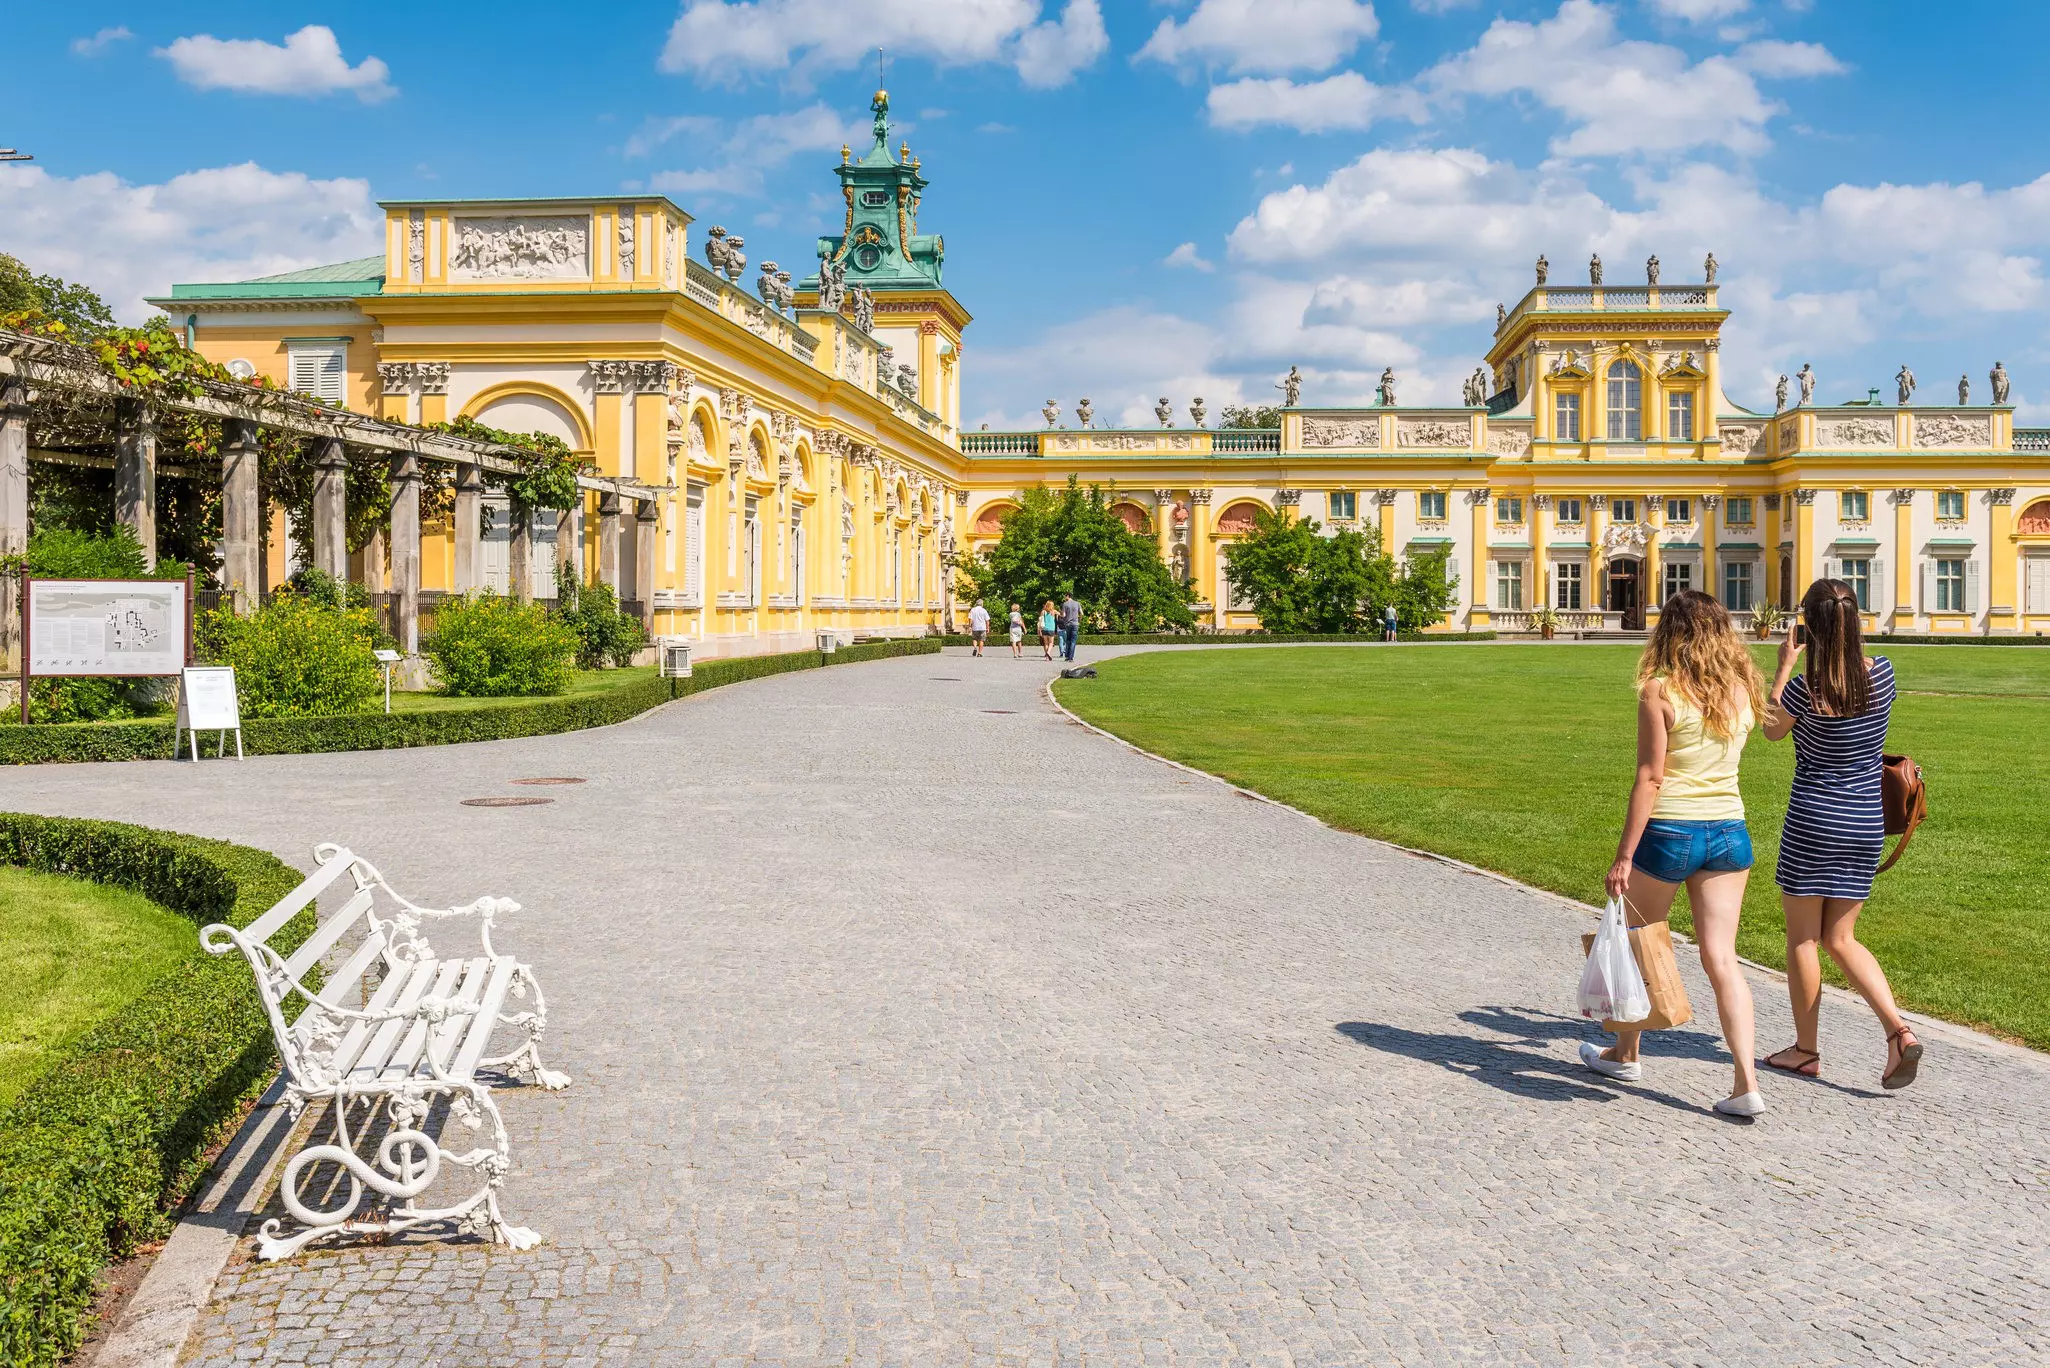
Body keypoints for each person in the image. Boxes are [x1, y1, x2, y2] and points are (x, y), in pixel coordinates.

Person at [1580, 590, 1768, 1117]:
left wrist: (1624, 854)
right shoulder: (1741, 689)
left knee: (1639, 942)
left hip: (1671, 831)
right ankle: (1745, 1082)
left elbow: (1651, 777)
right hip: (1730, 830)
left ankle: (1624, 1053)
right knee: (1722, 959)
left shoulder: (1659, 690)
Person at [1758, 579, 1922, 1090]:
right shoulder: (1885, 676)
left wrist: (1785, 665)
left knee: (1804, 939)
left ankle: (1806, 1050)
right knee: (1842, 938)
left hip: (1812, 818)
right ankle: (1898, 1030)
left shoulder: (1805, 690)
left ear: (1812, 626)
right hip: (1864, 820)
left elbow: (1769, 727)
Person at [1058, 591, 1081, 663]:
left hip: (1068, 624)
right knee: (1073, 641)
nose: (1065, 598)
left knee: (1068, 640)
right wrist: (1079, 621)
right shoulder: (1077, 603)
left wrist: (1060, 614)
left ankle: (1067, 657)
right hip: (1075, 624)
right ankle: (1071, 658)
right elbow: (1082, 613)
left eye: (1065, 596)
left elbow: (1064, 615)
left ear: (1068, 596)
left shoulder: (1065, 604)